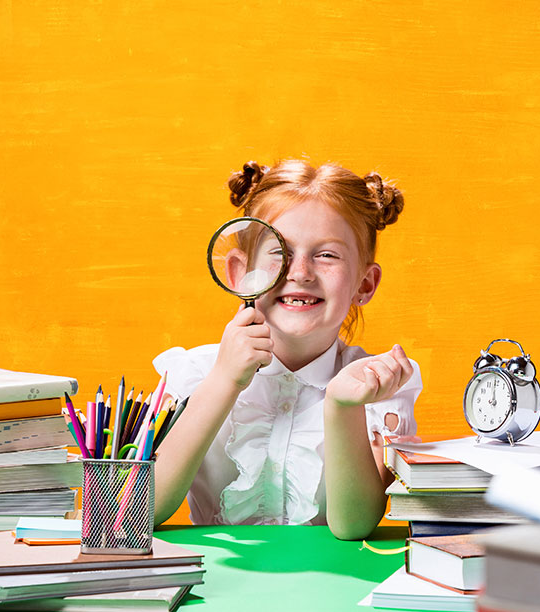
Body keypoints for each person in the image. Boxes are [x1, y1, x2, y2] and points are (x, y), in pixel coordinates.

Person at [152, 159, 422, 540]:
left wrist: (343, 406)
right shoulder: (193, 374)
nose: (301, 272)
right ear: (238, 274)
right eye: (279, 252)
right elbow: (143, 511)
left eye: (327, 255)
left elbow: (355, 525)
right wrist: (223, 382)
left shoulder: (376, 385)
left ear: (364, 284)